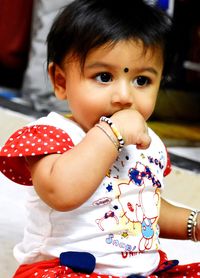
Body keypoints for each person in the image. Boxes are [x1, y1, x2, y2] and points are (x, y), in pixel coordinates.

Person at [0, 0, 199, 277]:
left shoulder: (147, 144)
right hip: (66, 268)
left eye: (142, 81)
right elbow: (62, 192)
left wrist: (192, 223)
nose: (124, 97)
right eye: (104, 76)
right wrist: (112, 133)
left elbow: (143, 206)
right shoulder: (54, 135)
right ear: (60, 82)